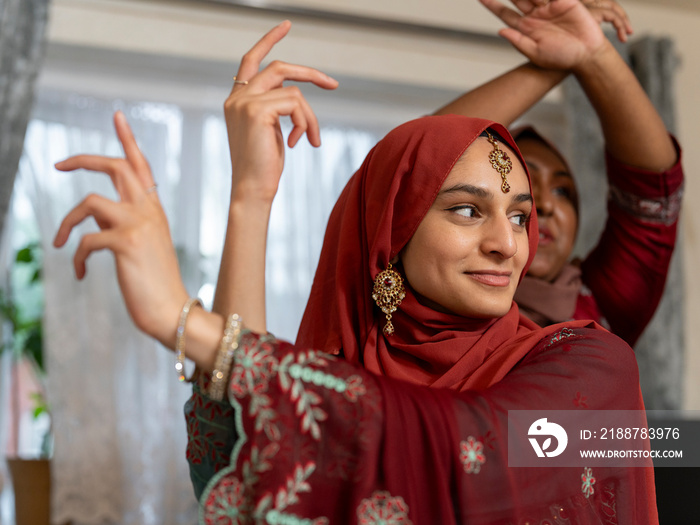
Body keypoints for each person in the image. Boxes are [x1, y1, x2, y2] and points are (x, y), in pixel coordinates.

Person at [53, 19, 658, 524]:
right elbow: (237, 463)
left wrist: (183, 321)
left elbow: (475, 451)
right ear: (393, 232)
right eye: (468, 210)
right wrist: (251, 198)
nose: (507, 243)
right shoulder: (338, 380)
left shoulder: (591, 369)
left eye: (519, 217)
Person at [434, 0, 683, 346]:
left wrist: (593, 54)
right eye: (529, 187)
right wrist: (556, 64)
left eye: (564, 192)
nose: (547, 206)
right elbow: (417, 161)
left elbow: (655, 189)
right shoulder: (427, 303)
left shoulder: (601, 304)